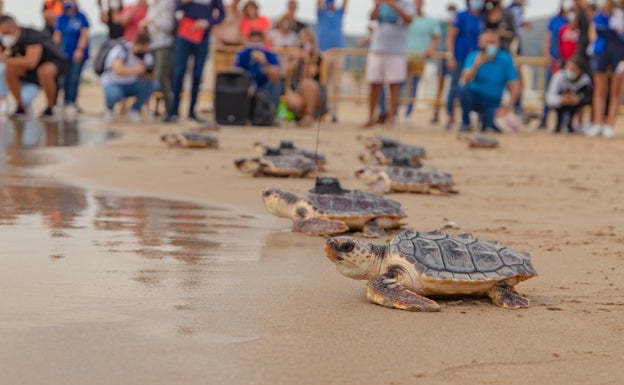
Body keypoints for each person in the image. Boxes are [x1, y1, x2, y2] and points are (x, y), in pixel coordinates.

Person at [165, 0, 226, 123]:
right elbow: (175, 8)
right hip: (184, 36)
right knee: (178, 73)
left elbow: (222, 15)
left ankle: (192, 111)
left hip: (202, 38)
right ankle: (173, 111)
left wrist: (208, 22)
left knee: (198, 75)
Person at [0, 15, 68, 119]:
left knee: (45, 71)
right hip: (31, 71)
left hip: (52, 62)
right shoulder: (8, 42)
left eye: (7, 33)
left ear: (15, 27)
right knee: (10, 68)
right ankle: (20, 106)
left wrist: (5, 59)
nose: (6, 36)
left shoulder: (32, 35)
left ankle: (50, 107)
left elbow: (31, 62)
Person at [362, 0, 415, 128]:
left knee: (394, 86)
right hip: (377, 48)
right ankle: (370, 117)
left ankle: (391, 118)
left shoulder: (408, 3)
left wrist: (393, 6)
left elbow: (409, 19)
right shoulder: (382, 3)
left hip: (396, 51)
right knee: (374, 84)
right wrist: (377, 5)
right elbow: (371, 17)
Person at [458, 30, 520, 133]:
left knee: (494, 126)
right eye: (486, 42)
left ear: (498, 44)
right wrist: (475, 66)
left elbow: (515, 85)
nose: (489, 45)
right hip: (475, 97)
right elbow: (465, 79)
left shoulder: (505, 58)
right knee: (463, 90)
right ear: (480, 43)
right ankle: (466, 122)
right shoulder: (473, 56)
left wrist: (508, 108)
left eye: (492, 42)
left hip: (493, 102)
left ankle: (485, 121)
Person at [100, 31, 158, 122]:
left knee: (153, 84)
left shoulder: (146, 56)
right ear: (136, 44)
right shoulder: (121, 50)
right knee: (114, 95)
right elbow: (117, 70)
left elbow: (150, 77)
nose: (144, 52)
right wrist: (135, 70)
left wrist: (149, 72)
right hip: (113, 83)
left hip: (132, 84)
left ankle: (135, 109)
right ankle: (109, 109)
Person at [586, 0, 624, 138]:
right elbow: (593, 31)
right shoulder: (601, 15)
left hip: (619, 51)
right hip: (602, 50)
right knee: (600, 88)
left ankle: (609, 124)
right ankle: (597, 123)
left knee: (616, 89)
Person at [445, 0, 485, 130]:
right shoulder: (461, 16)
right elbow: (451, 36)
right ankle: (450, 116)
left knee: (473, 87)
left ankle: (470, 118)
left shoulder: (483, 17)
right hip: (460, 57)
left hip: (475, 59)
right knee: (454, 87)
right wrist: (450, 55)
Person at [404, 0, 441, 119]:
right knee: (399, 84)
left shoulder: (430, 21)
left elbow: (437, 37)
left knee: (414, 86)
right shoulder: (405, 18)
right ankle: (393, 113)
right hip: (403, 56)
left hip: (420, 57)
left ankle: (408, 113)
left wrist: (430, 49)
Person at [538, 1, 571, 129]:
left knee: (566, 89)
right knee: (549, 89)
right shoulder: (555, 20)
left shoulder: (574, 20)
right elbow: (548, 37)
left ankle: (564, 121)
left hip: (569, 62)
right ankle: (544, 118)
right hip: (554, 59)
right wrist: (547, 54)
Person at [53, 0, 90, 112]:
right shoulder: (60, 18)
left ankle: (71, 102)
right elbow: (57, 35)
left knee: (73, 78)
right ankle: (62, 101)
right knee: (62, 79)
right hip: (63, 54)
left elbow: (84, 34)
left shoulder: (81, 17)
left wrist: (79, 50)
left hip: (77, 53)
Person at [141, 0, 177, 117]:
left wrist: (152, 21)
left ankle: (170, 110)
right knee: (150, 77)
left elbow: (169, 25)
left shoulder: (167, 3)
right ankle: (150, 109)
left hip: (164, 45)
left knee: (161, 78)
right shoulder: (152, 5)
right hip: (152, 44)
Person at [284, 28, 326, 127]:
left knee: (307, 84)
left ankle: (308, 115)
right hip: (296, 91)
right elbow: (287, 74)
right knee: (294, 102)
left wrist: (306, 60)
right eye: (303, 41)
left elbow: (310, 75)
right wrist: (296, 60)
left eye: (309, 41)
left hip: (314, 93)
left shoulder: (318, 58)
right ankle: (302, 116)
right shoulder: (293, 56)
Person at [317, 0, 347, 123]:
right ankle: (323, 110)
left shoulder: (339, 13)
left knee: (336, 84)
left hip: (338, 51)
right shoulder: (322, 13)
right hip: (324, 52)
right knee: (323, 83)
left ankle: (334, 112)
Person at [234, 30, 281, 107]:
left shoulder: (270, 54)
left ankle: (270, 109)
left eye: (257, 42)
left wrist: (264, 62)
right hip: (247, 87)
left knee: (276, 83)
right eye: (253, 41)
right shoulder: (242, 54)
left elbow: (276, 78)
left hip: (264, 89)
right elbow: (236, 72)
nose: (255, 45)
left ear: (263, 41)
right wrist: (247, 85)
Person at [545, 55, 592, 133]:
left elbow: (588, 97)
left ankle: (577, 123)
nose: (569, 71)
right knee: (557, 104)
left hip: (576, 105)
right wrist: (561, 99)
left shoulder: (585, 80)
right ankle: (558, 123)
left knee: (581, 103)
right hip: (560, 103)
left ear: (580, 70)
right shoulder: (558, 77)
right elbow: (549, 97)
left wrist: (578, 99)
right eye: (568, 68)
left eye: (573, 69)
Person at [431, 3, 457, 124]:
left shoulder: (456, 23)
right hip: (443, 56)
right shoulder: (442, 23)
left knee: (453, 87)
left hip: (452, 56)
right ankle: (436, 112)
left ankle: (451, 114)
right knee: (440, 86)